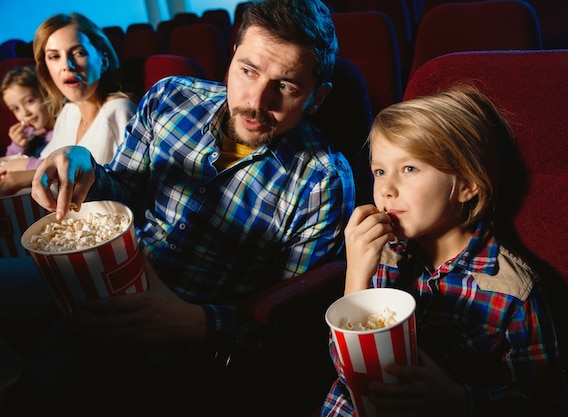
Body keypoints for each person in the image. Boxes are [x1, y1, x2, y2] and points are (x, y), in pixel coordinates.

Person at [2, 0, 354, 414]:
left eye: (287, 86)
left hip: (199, 346)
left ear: (316, 97)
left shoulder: (322, 180)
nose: (256, 102)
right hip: (113, 294)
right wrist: (88, 168)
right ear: (232, 56)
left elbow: (291, 313)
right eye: (248, 71)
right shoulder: (169, 98)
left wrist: (197, 323)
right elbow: (124, 191)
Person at [321, 85, 568, 416]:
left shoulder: (513, 292)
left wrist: (459, 400)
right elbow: (347, 373)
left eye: (409, 169)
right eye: (380, 171)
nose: (386, 189)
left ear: (467, 184)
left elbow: (547, 406)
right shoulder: (381, 255)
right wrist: (356, 279)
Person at [0, 12, 136, 196]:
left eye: (78, 53)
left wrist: (27, 171)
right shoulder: (69, 112)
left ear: (103, 61)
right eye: (54, 57)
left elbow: (129, 189)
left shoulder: (119, 110)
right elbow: (47, 162)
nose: (67, 66)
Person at [1, 65, 54, 162]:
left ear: (46, 94)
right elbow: (8, 164)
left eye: (29, 101)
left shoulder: (62, 130)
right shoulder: (28, 133)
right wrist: (18, 146)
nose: (25, 113)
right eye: (16, 108)